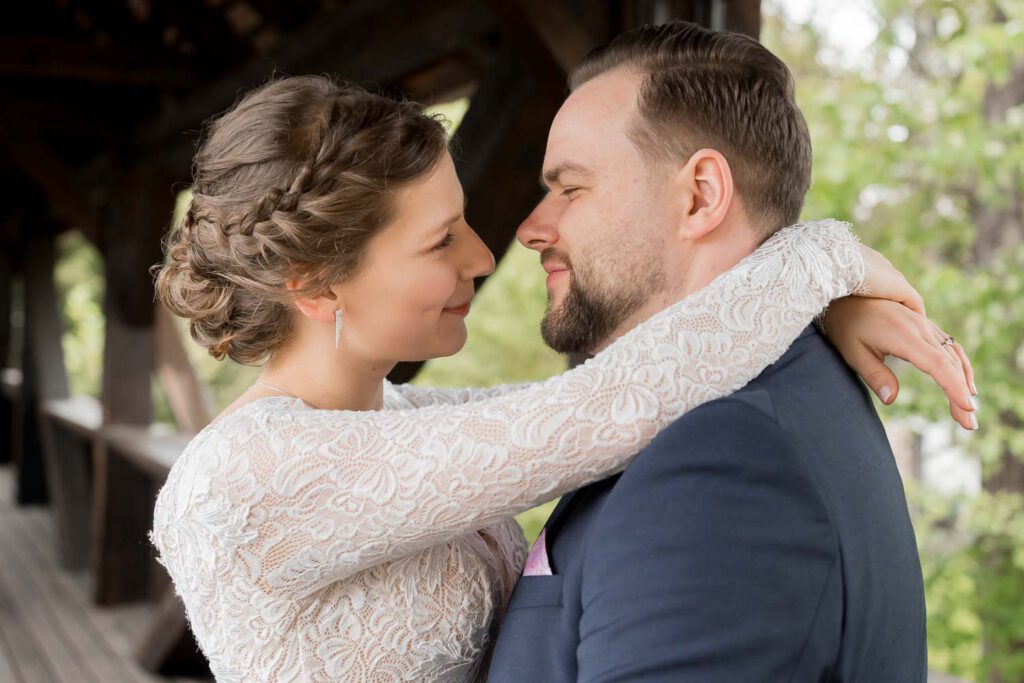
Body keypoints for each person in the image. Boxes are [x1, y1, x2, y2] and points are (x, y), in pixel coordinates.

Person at [149, 74, 973, 681]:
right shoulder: (242, 481)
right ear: (318, 282)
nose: (485, 255)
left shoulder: (396, 416)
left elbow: (633, 385)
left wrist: (820, 306)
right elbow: (609, 407)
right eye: (441, 241)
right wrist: (822, 259)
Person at [486, 21, 961, 682]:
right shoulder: (747, 407)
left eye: (570, 188)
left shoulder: (723, 455)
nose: (533, 228)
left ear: (702, 196)